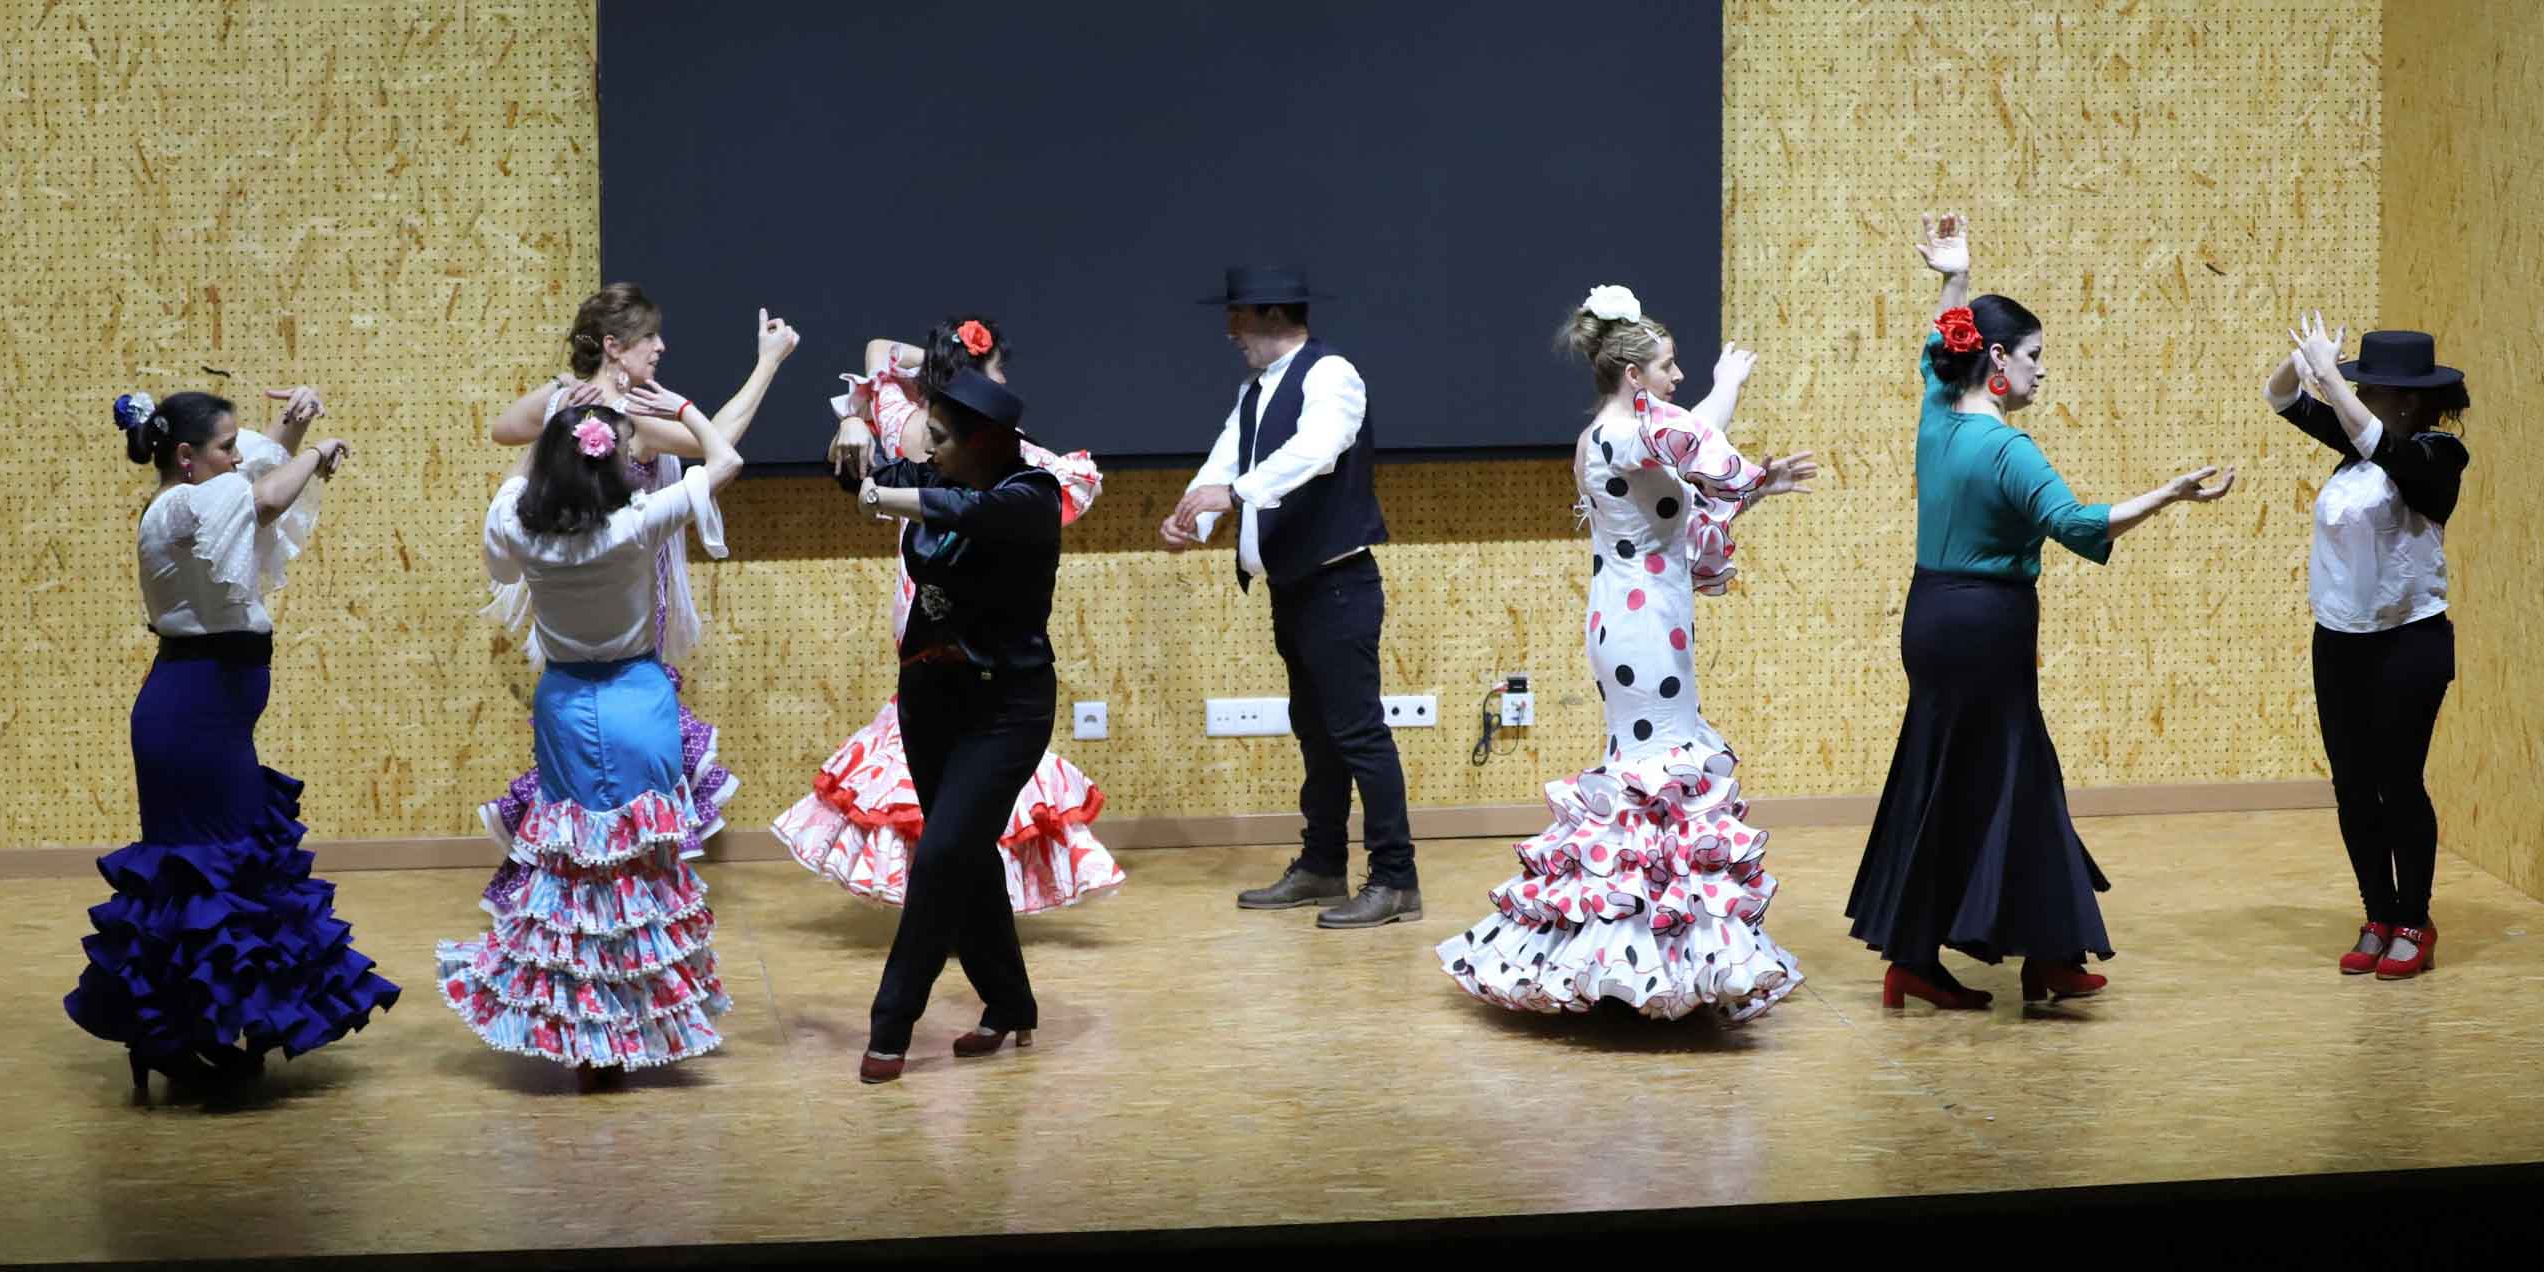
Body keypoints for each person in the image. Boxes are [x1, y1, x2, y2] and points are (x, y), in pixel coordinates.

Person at [1844, 213, 2239, 1009]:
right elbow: (2078, 525)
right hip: (1986, 628)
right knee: (2016, 778)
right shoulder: (2007, 450)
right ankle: (2027, 956)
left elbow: (1941, 349)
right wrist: (2169, 496)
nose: (2042, 371)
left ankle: (1965, 957)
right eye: (2033, 356)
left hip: (1930, 619)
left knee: (1951, 777)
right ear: (1996, 359)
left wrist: (1954, 278)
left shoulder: (1937, 409)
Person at [1437, 285, 1820, 1021]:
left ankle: (1648, 958)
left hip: (1642, 622)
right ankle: (1634, 963)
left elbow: (1682, 472)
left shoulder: (1616, 435)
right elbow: (1693, 443)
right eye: (1668, 366)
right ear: (1634, 374)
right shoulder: (1623, 435)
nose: (1678, 377)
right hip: (1641, 631)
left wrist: (1740, 443)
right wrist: (1741, 454)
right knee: (1657, 781)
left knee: (1653, 781)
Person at [69, 385, 396, 1098]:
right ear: (187, 456)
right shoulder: (178, 507)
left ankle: (196, 1031)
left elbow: (255, 463)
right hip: (191, 717)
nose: (238, 456)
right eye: (226, 447)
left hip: (209, 715)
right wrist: (317, 451)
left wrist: (294, 424)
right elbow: (266, 496)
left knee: (222, 877)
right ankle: (174, 1037)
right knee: (199, 878)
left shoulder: (198, 491)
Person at [439, 392, 744, 1076]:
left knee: (575, 864)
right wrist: (684, 408)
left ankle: (585, 1028)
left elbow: (508, 524)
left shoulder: (519, 526)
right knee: (642, 865)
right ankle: (643, 1014)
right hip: (640, 701)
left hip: (566, 704)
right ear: (614, 465)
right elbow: (725, 460)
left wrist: (549, 433)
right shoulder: (637, 522)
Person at [777, 316, 1120, 912]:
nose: (1004, 381)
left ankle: (947, 898)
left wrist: (859, 412)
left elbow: (879, 350)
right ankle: (950, 897)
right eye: (996, 371)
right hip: (964, 604)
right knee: (963, 768)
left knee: (944, 769)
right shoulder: (996, 447)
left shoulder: (899, 418)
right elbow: (1071, 485)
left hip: (917, 602)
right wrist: (956, 372)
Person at [475, 287, 796, 893]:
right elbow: (721, 445)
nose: (661, 347)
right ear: (615, 347)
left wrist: (558, 399)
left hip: (573, 594)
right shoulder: (626, 418)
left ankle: (584, 872)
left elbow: (504, 433)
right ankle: (625, 871)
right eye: (650, 337)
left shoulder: (572, 404)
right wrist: (767, 364)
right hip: (620, 587)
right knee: (623, 742)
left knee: (582, 744)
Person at [1159, 265, 1417, 929]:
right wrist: (1192, 518)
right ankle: (1323, 865)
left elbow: (1318, 450)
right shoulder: (1256, 390)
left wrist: (1234, 495)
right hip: (1295, 590)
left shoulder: (1331, 374)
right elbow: (1225, 461)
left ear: (1271, 315)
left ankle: (1396, 879)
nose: (1229, 330)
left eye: (1237, 316)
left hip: (1338, 586)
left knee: (1358, 733)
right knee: (1317, 733)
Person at [846, 371, 1067, 1084]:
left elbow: (965, 512)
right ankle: (1011, 1003)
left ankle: (891, 1025)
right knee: (963, 854)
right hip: (930, 699)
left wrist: (881, 497)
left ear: (984, 442)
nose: (928, 450)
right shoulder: (938, 471)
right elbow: (862, 476)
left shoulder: (1032, 496)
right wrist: (850, 427)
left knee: (941, 855)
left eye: (940, 438)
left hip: (1007, 708)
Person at [2269, 313, 2470, 980]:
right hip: (2339, 644)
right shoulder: (2357, 444)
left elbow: (2387, 449)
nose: (2351, 394)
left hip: (2409, 643)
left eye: (2365, 387)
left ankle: (2414, 919)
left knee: (2398, 784)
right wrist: (2303, 367)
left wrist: (2331, 380)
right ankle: (2378, 916)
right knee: (2354, 789)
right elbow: (2280, 398)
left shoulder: (2437, 457)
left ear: (2406, 400)